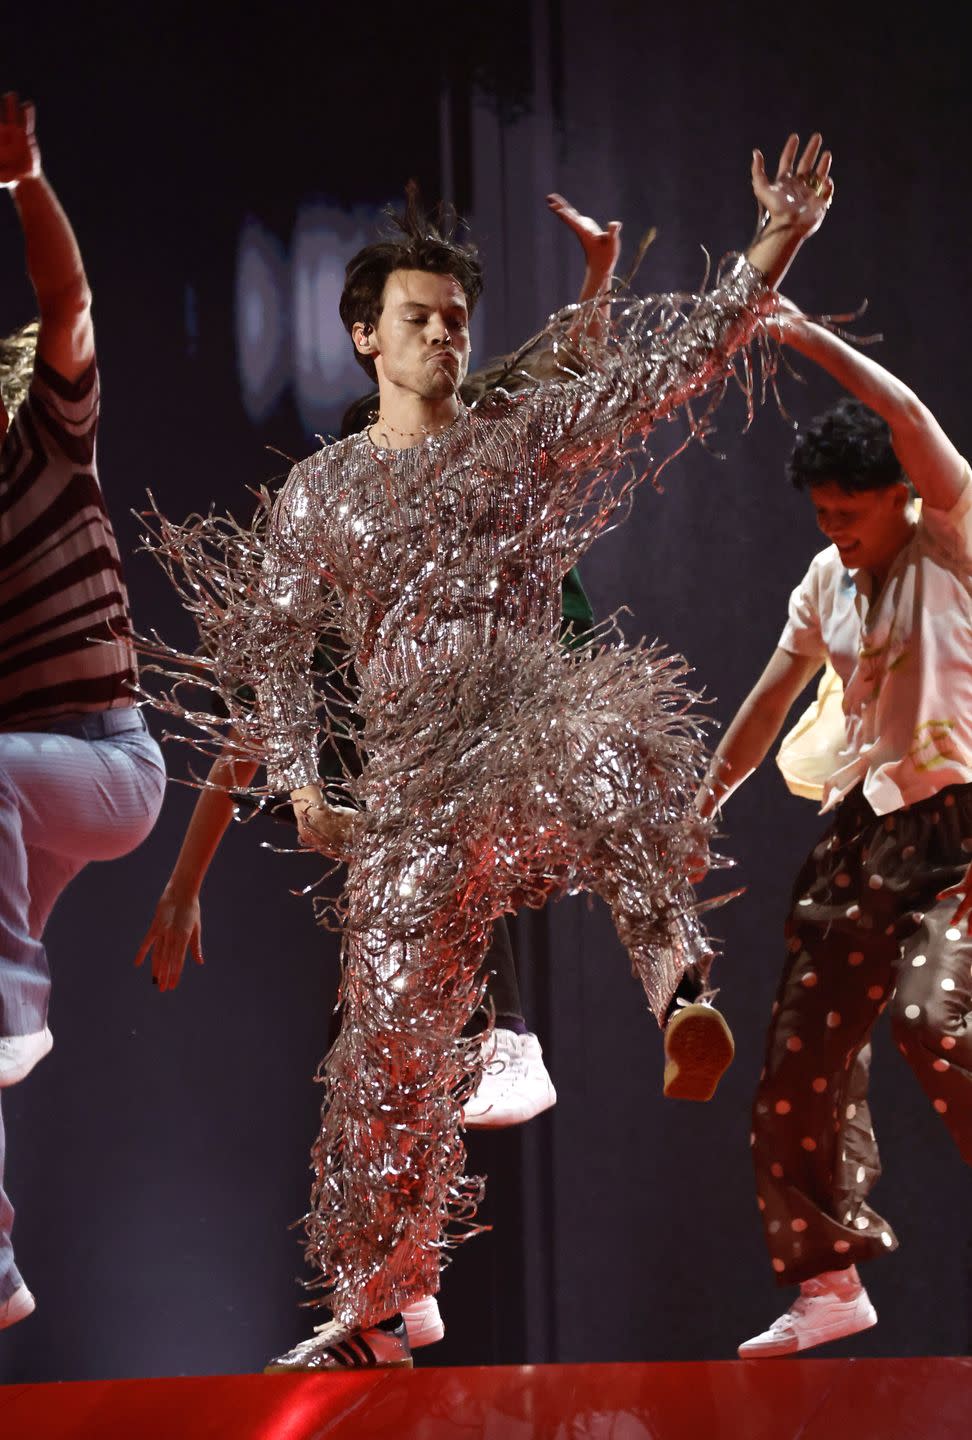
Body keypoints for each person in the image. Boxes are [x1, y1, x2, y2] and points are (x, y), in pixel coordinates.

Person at [144, 133, 833, 1370]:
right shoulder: (321, 494)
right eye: (421, 318)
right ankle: (380, 1308)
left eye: (459, 318)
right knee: (385, 1063)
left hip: (520, 746)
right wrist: (305, 781)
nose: (447, 336)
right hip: (407, 804)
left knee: (615, 739)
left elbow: (667, 369)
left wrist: (775, 240)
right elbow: (281, 654)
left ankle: (681, 990)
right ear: (367, 336)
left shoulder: (515, 442)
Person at [694, 300, 972, 1357]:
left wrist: (801, 334)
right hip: (864, 836)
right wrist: (701, 808)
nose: (837, 534)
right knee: (797, 1063)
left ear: (904, 496)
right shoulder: (827, 582)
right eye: (822, 517)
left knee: (934, 1021)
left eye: (851, 514)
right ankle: (826, 1281)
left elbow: (902, 408)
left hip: (962, 830)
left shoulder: (951, 531)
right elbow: (771, 701)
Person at [0, 93, 166, 1332]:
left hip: (111, 767)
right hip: (23, 795)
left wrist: (25, 185)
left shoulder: (48, 447)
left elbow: (68, 306)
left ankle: (16, 1008)